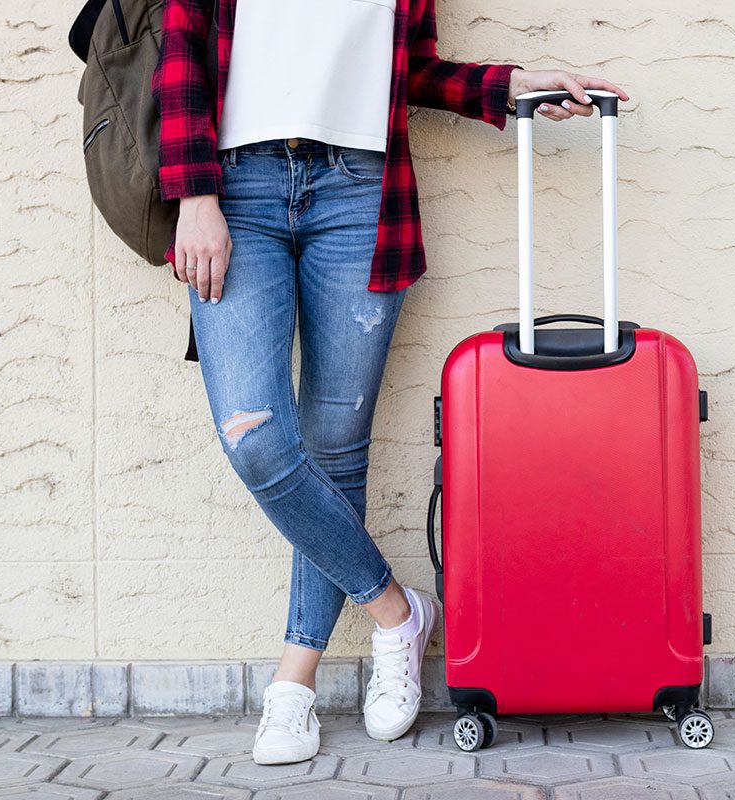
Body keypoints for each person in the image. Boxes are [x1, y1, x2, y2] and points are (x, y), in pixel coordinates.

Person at [154, 0, 628, 766]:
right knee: (257, 439)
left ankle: (295, 682)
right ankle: (397, 611)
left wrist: (507, 85)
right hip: (236, 188)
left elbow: (405, 69)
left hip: (360, 193)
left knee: (336, 445)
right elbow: (181, 52)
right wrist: (194, 196)